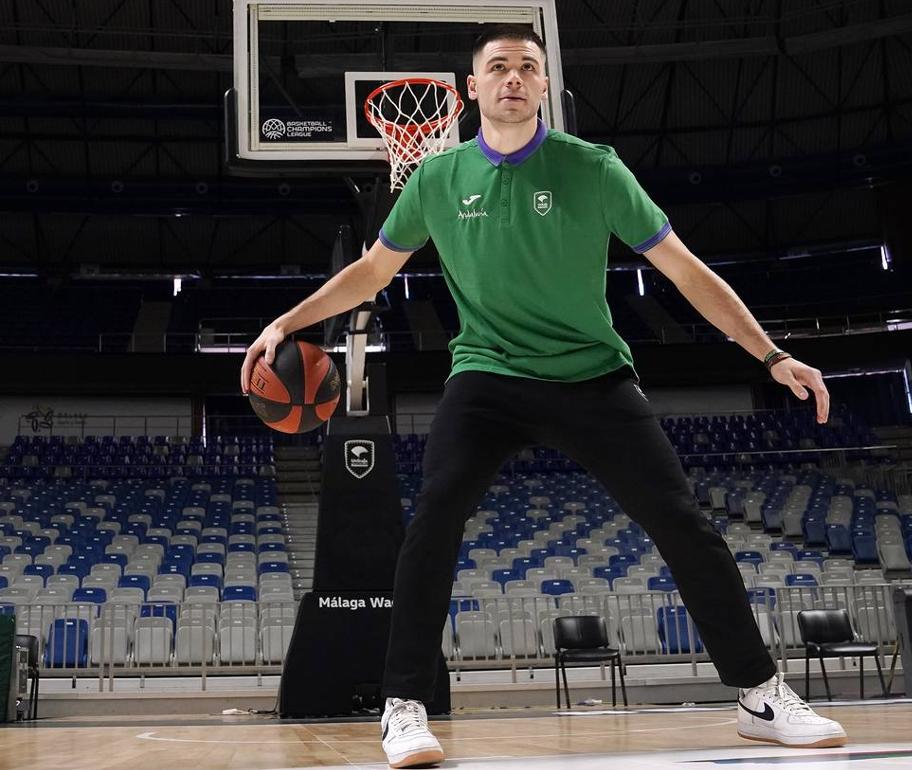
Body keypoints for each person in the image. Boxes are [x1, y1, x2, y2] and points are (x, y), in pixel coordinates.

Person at [242, 25, 847, 767]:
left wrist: (770, 353)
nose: (513, 78)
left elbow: (683, 270)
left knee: (683, 522)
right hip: (488, 376)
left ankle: (759, 695)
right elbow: (371, 272)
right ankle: (403, 707)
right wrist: (285, 319)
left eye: (527, 66)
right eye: (497, 67)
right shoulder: (435, 178)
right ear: (472, 90)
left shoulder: (593, 169)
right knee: (434, 518)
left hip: (592, 375)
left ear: (543, 86)